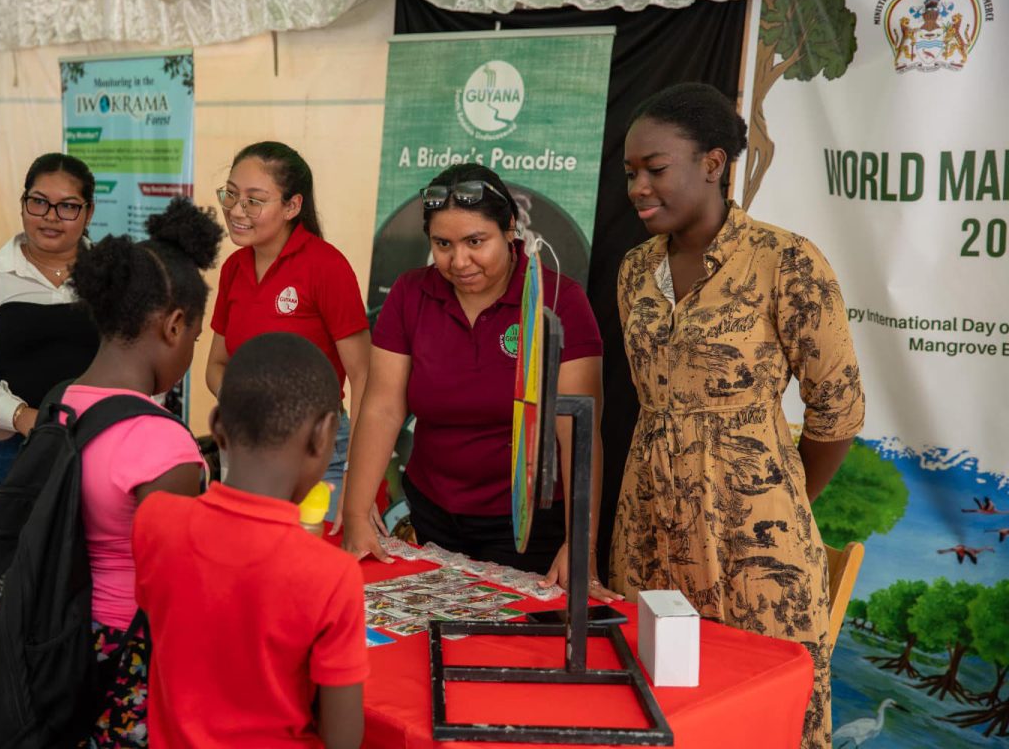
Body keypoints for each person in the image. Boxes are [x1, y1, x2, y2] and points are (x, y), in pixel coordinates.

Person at [611, 82, 864, 749]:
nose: (639, 186)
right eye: (631, 172)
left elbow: (837, 411)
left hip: (756, 548)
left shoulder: (787, 261)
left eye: (655, 170)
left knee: (757, 718)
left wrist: (779, 497)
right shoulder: (635, 271)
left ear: (714, 163)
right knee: (646, 708)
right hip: (648, 533)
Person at [342, 163, 616, 600]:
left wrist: (580, 545)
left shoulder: (558, 299)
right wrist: (356, 513)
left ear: (510, 229)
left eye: (475, 242)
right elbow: (383, 407)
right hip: (432, 513)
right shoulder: (411, 294)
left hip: (526, 527)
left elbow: (579, 433)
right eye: (443, 244)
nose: (459, 261)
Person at [135, 332, 367, 749]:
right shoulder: (333, 575)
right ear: (324, 435)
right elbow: (343, 739)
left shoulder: (155, 521)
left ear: (218, 427)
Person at [64, 197, 223, 747]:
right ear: (175, 325)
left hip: (62, 635)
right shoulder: (160, 441)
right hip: (130, 647)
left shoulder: (61, 404)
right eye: (196, 339)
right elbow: (177, 583)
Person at [204, 141, 370, 520]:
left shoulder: (326, 267)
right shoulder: (233, 268)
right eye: (231, 194)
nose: (236, 210)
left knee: (311, 566)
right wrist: (252, 407)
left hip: (316, 448)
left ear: (293, 206)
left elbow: (364, 376)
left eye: (254, 200)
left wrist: (356, 475)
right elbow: (216, 365)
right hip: (246, 443)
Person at [0, 153, 100, 500]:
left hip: (102, 447)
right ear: (23, 203)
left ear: (89, 212)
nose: (50, 217)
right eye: (38, 202)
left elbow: (137, 361)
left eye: (68, 207)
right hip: (16, 449)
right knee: (15, 552)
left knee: (94, 554)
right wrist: (20, 416)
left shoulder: (112, 274)